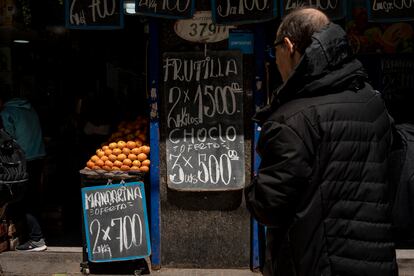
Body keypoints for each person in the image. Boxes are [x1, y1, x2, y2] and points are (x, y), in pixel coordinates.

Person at [245, 7, 398, 276]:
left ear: (289, 46)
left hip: (316, 264)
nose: (275, 59)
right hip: (377, 261)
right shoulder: (371, 101)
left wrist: (255, 188)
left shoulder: (291, 119)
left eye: (275, 49)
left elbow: (268, 206)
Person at [0, 86, 47, 252]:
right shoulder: (29, 108)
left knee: (25, 198)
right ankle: (33, 235)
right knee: (33, 196)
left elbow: (7, 138)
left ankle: (36, 239)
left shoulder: (7, 113)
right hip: (38, 155)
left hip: (23, 159)